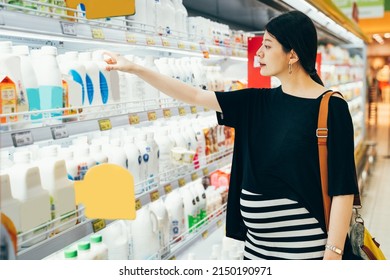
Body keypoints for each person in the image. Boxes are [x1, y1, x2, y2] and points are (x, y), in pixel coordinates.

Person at [104, 10, 359, 260]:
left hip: (304, 250)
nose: (258, 53)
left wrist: (333, 256)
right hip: (256, 250)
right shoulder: (256, 101)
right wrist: (135, 69)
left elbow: (343, 188)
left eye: (267, 46)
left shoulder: (330, 108)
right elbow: (193, 95)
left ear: (292, 54)